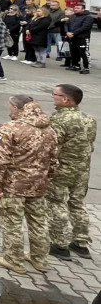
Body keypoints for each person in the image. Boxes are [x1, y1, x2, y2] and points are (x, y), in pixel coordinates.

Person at [0, 95, 59, 274]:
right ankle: (40, 259)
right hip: (39, 184)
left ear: (17, 108)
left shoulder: (9, 128)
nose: (9, 109)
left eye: (11, 106)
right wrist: (47, 178)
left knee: (11, 222)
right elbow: (54, 160)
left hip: (13, 185)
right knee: (39, 222)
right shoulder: (49, 129)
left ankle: (13, 259)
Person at [47, 84, 97, 260]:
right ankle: (81, 242)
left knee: (56, 203)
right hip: (82, 169)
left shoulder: (59, 120)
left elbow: (52, 146)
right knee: (77, 203)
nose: (53, 97)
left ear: (65, 99)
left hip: (63, 168)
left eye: (55, 94)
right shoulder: (89, 119)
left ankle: (59, 244)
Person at [64, 3, 92, 74]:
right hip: (72, 38)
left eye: (78, 8)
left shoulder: (88, 17)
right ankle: (75, 65)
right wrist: (67, 32)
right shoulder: (72, 16)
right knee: (74, 52)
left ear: (83, 9)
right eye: (75, 8)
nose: (76, 9)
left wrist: (73, 33)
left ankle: (86, 68)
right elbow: (66, 24)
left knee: (83, 53)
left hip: (82, 38)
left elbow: (85, 27)